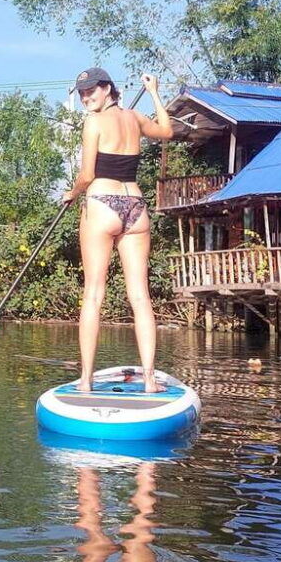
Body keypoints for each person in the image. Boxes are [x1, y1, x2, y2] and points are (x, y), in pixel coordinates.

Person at [63, 68, 173, 394]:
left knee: (93, 294)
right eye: (82, 93)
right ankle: (150, 380)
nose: (86, 98)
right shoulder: (135, 117)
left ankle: (85, 380)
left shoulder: (93, 122)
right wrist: (155, 92)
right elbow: (167, 130)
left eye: (91, 91)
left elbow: (85, 175)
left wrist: (71, 194)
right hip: (136, 207)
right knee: (140, 296)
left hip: (101, 203)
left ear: (107, 88)